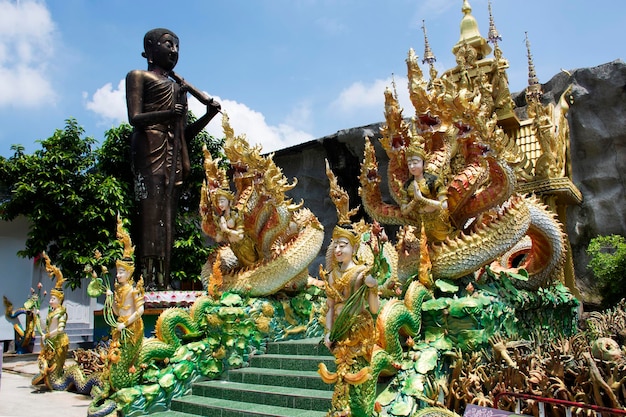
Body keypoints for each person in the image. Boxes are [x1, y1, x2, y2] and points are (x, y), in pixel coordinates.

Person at [126, 27, 221, 289]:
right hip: (148, 146)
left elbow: (183, 133)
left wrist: (207, 116)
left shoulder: (178, 88)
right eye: (168, 45)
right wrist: (168, 114)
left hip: (172, 152)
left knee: (167, 219)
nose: (174, 51)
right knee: (150, 214)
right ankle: (147, 280)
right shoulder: (138, 76)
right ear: (150, 48)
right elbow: (135, 118)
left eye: (177, 47)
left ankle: (164, 280)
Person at [401, 142, 451, 242]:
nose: (412, 166)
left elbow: (444, 205)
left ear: (423, 163)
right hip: (422, 224)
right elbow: (403, 211)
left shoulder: (434, 180)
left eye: (415, 162)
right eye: (409, 163)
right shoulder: (407, 185)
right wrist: (415, 200)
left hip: (438, 223)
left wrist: (422, 199)